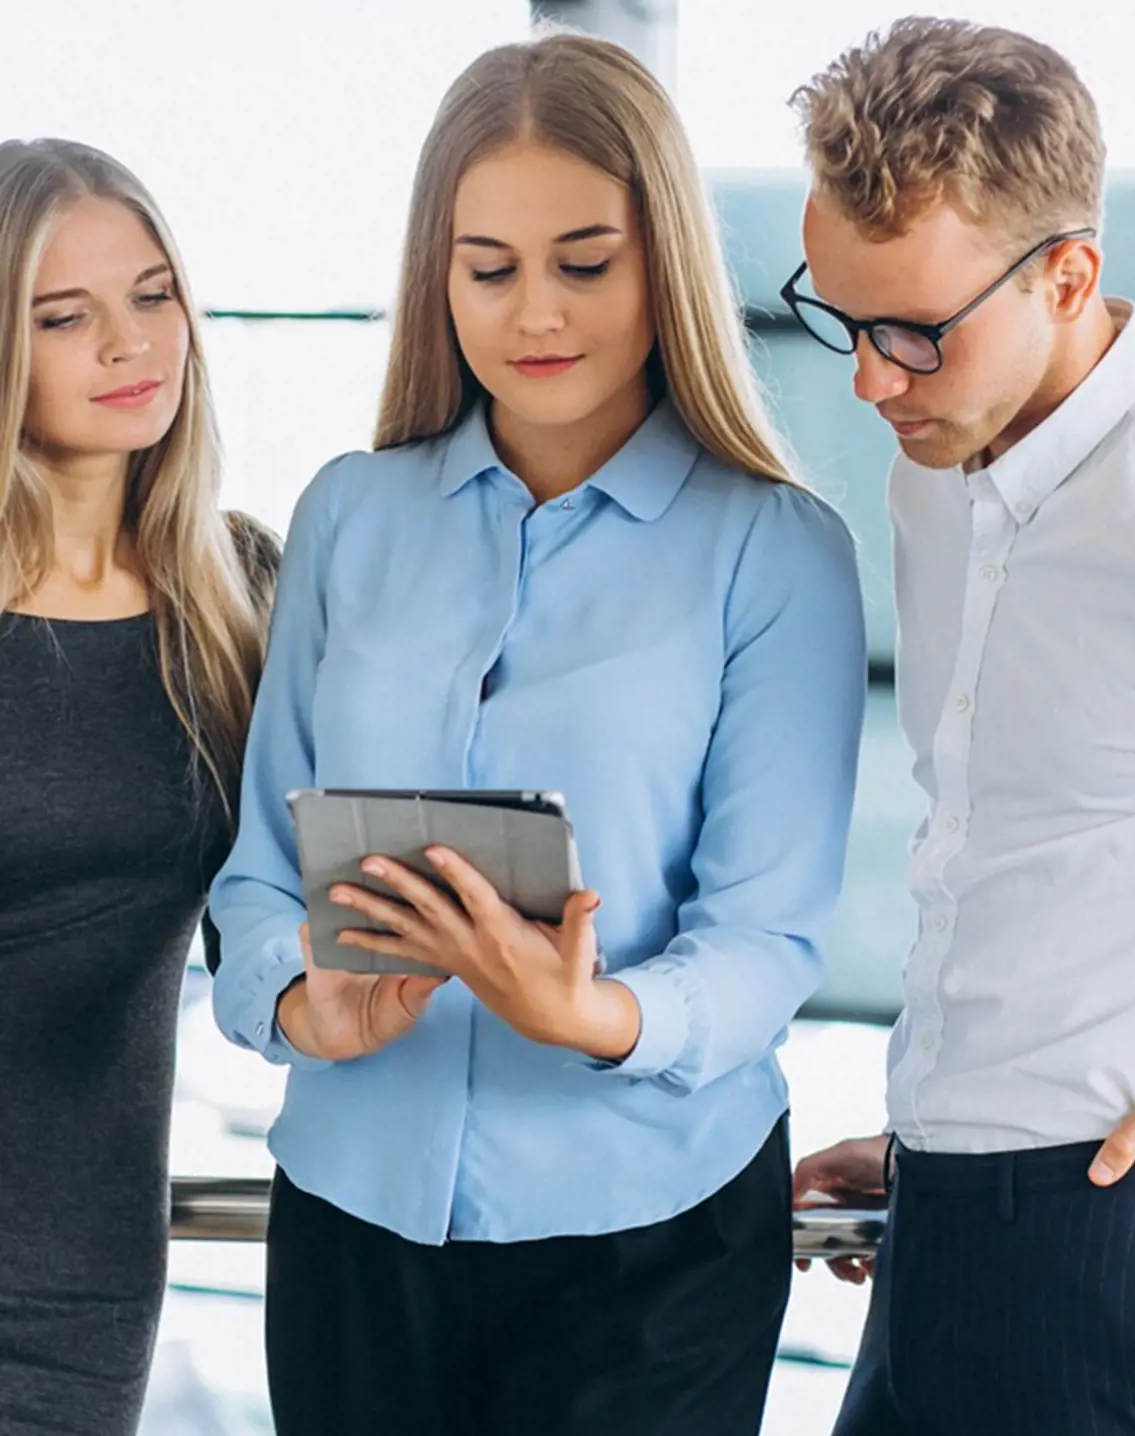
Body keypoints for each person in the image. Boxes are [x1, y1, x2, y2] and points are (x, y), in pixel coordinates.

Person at [210, 30, 866, 1436]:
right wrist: (297, 1003)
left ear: (664, 264)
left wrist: (597, 1017)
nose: (535, 315)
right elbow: (259, 869)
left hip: (655, 1244)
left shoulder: (778, 554)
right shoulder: (348, 516)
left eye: (586, 261)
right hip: (350, 1216)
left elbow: (767, 938)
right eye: (488, 267)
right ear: (435, 276)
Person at [783, 18, 1135, 1435]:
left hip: (1119, 1231)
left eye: (914, 332)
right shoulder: (933, 481)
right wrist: (942, 1133)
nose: (868, 380)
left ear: (1069, 274)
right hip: (946, 1211)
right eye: (841, 320)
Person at [0, 138, 277, 1435]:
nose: (132, 344)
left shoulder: (240, 598)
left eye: (154, 295)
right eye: (66, 316)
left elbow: (291, 914)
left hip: (82, 1271)